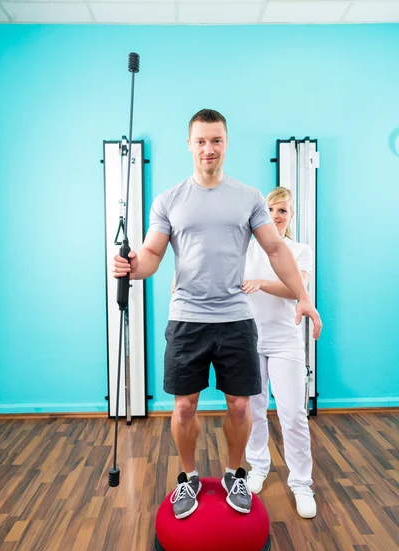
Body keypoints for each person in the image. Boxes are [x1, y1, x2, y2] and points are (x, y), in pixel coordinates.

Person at [113, 109, 322, 519]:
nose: (209, 149)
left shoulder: (248, 198)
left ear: (226, 143)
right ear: (189, 145)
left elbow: (277, 250)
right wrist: (132, 266)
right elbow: (153, 253)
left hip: (235, 318)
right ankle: (188, 477)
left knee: (242, 407)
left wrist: (303, 297)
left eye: (216, 140)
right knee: (184, 407)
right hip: (188, 317)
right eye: (201, 141)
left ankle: (234, 474)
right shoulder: (169, 200)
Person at [242, 186, 317, 518]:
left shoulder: (300, 250)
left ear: (291, 215)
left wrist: (261, 282)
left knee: (293, 415)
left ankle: (301, 484)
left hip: (286, 341)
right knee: (253, 410)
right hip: (248, 339)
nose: (276, 216)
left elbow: (295, 289)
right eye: (271, 210)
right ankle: (257, 466)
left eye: (283, 210)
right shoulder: (246, 247)